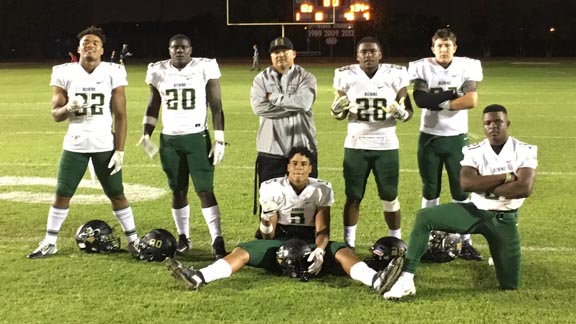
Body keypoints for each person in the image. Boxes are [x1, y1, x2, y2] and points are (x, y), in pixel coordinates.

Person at [166, 146, 400, 294]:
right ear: (287, 166)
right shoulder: (271, 188)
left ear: (311, 168)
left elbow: (323, 229)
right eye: (295, 163)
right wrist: (266, 218)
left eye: (304, 164)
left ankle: (375, 281)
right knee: (242, 252)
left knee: (343, 252)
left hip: (309, 241)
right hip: (279, 241)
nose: (299, 168)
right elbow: (268, 234)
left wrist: (319, 251)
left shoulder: (321, 189)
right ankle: (200, 277)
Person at [383, 104, 538, 300]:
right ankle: (406, 279)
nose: (493, 127)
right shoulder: (474, 150)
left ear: (507, 123)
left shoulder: (523, 150)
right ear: (483, 126)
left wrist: (483, 185)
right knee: (425, 217)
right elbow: (465, 183)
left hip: (504, 220)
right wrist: (507, 177)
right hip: (476, 212)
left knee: (510, 284)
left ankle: (499, 254)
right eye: (488, 123)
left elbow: (524, 188)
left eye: (498, 122)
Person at [27, 26, 140, 259]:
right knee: (62, 193)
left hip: (104, 144)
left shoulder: (113, 71)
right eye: (85, 43)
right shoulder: (64, 72)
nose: (90, 45)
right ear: (78, 49)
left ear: (102, 50)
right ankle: (50, 241)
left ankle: (133, 241)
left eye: (95, 43)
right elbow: (56, 115)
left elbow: (121, 115)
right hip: (75, 144)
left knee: (117, 193)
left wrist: (120, 150)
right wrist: (68, 107)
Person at [138, 34, 227, 260]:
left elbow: (216, 106)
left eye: (184, 47)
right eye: (175, 47)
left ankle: (217, 239)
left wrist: (219, 139)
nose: (179, 51)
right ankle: (183, 236)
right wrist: (146, 134)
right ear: (169, 50)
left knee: (205, 190)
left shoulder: (204, 67)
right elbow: (153, 105)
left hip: (197, 137)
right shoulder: (158, 71)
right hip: (170, 139)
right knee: (178, 190)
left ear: (190, 49)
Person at [408, 28, 484, 260]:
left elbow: (471, 100)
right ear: (433, 48)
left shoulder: (467, 66)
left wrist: (439, 103)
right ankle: (430, 241)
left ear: (454, 47)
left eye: (447, 45)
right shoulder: (422, 66)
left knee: (461, 190)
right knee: (430, 189)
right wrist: (451, 94)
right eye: (439, 45)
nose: (443, 49)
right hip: (429, 137)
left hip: (456, 137)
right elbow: (421, 100)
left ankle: (465, 242)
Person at [330, 36, 413, 249]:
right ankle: (349, 244)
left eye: (372, 51)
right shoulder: (345, 75)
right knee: (353, 196)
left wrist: (402, 114)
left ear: (380, 54)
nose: (368, 55)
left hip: (386, 144)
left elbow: (409, 111)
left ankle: (396, 239)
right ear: (357, 56)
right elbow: (340, 113)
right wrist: (336, 111)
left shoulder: (395, 74)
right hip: (356, 144)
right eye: (364, 52)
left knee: (390, 196)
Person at [251, 37, 318, 185]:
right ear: (271, 56)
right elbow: (259, 108)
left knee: (305, 201)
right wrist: (294, 107)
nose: (280, 55)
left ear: (293, 53)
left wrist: (273, 97)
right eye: (276, 52)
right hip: (270, 149)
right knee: (270, 203)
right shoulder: (260, 79)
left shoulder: (306, 77)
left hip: (303, 149)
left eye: (284, 51)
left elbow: (304, 103)